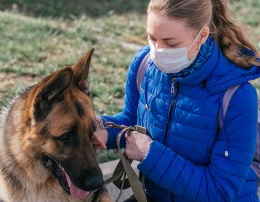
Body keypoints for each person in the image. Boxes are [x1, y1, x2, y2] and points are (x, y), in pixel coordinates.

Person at [92, 0, 260, 201]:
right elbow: (132, 120)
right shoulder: (144, 64)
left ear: (202, 36)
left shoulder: (237, 97)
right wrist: (102, 129)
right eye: (151, 38)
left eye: (171, 44)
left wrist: (150, 154)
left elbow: (220, 191)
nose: (157, 51)